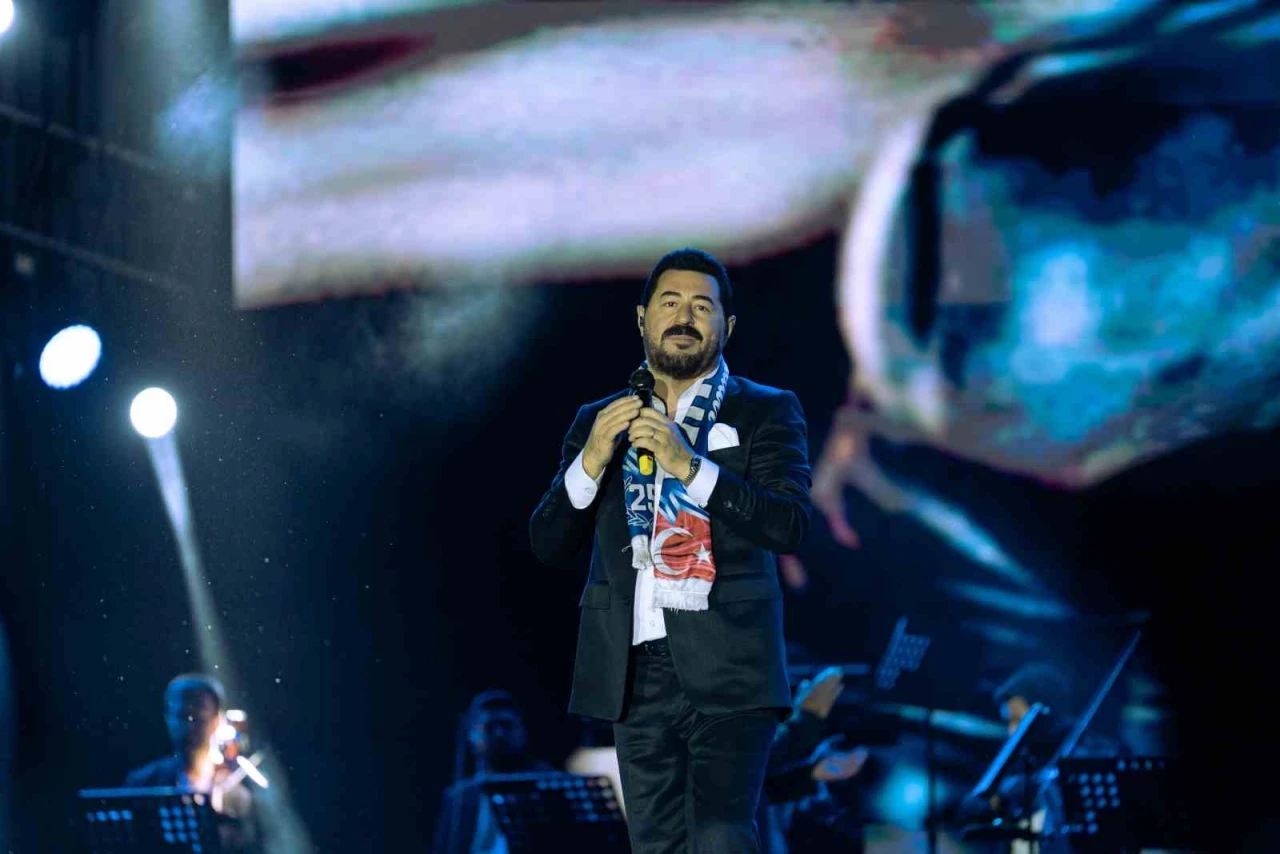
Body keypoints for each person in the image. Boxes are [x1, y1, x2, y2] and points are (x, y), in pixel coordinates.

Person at [530, 248, 813, 852]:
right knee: (656, 846)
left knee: (719, 836)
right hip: (633, 669)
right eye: (670, 302)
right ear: (642, 318)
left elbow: (789, 525)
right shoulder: (600, 420)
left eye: (701, 307)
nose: (684, 317)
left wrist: (691, 466)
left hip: (733, 664)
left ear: (726, 326)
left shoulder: (764, 409)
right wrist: (591, 460)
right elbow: (550, 542)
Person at [125, 673, 257, 849]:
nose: (189, 725)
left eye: (197, 716)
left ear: (218, 720)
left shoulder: (240, 786)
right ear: (167, 718)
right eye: (181, 715)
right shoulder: (142, 783)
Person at [432, 690, 551, 854]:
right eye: (489, 727)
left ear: (523, 731)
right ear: (472, 735)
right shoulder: (458, 796)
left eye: (507, 725)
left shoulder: (543, 785)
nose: (499, 734)